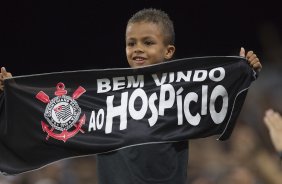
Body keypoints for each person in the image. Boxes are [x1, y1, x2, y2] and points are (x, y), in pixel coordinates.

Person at [0, 8, 262, 184]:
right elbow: (51, 108)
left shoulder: (185, 89)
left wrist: (243, 70)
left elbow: (219, 93)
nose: (137, 49)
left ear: (169, 50)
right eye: (131, 43)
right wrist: (16, 91)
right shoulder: (102, 93)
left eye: (148, 43)